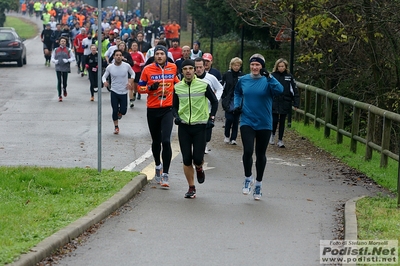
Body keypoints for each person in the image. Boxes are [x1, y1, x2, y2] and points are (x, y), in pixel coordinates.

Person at [234, 53, 283, 200]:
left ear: (262, 66)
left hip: (264, 122)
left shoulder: (268, 81)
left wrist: (270, 77)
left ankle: (259, 184)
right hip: (247, 120)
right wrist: (237, 105)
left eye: (258, 65)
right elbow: (237, 92)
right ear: (249, 65)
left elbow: (280, 90)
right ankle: (248, 177)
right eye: (253, 64)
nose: (255, 67)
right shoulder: (243, 80)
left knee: (260, 154)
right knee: (248, 151)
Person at [173, 59, 218, 199]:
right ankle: (191, 187)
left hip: (200, 126)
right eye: (185, 69)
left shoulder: (203, 85)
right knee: (186, 159)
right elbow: (173, 106)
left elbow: (215, 102)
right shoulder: (177, 87)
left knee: (197, 158)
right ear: (181, 71)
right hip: (184, 126)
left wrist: (211, 118)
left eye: (190, 68)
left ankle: (199, 167)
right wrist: (176, 116)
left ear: (194, 70)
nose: (188, 71)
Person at [137, 45, 180, 187]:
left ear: (166, 55)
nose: (160, 56)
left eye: (162, 54)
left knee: (166, 141)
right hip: (153, 109)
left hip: (167, 109)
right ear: (154, 56)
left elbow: (177, 83)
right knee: (156, 141)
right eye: (157, 54)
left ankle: (166, 174)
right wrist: (149, 88)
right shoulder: (147, 69)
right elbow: (140, 87)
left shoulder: (173, 67)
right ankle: (157, 165)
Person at [194, 58, 223, 154]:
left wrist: (215, 99)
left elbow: (220, 88)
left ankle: (204, 144)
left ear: (204, 67)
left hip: (208, 109)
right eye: (196, 67)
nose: (198, 69)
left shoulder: (211, 78)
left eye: (200, 67)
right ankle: (198, 146)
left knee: (207, 133)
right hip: (195, 110)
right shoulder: (190, 78)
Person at [102, 49, 135, 134]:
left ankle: (120, 113)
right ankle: (116, 127)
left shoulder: (126, 66)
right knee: (114, 109)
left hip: (124, 91)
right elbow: (104, 76)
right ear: (114, 57)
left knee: (123, 111)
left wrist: (130, 82)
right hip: (114, 91)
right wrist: (104, 82)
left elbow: (133, 74)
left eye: (120, 55)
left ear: (122, 56)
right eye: (117, 55)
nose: (118, 57)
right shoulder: (110, 67)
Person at [270, 58, 300, 147]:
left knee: (282, 121)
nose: (281, 68)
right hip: (275, 101)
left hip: (285, 101)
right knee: (274, 120)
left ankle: (280, 140)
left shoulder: (289, 77)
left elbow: (294, 90)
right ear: (276, 67)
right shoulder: (272, 76)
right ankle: (272, 135)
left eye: (282, 66)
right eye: (279, 66)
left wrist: (296, 102)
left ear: (285, 67)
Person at [221, 57, 244, 145]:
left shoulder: (242, 76)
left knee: (236, 120)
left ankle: (233, 138)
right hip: (228, 99)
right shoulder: (227, 75)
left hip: (238, 99)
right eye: (235, 65)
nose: (236, 67)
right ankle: (227, 135)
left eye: (238, 65)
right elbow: (222, 87)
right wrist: (224, 98)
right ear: (231, 65)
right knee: (229, 118)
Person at [51, 37, 76, 102]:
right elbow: (52, 58)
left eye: (64, 41)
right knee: (59, 81)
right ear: (59, 42)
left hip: (65, 67)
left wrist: (68, 60)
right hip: (58, 67)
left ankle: (64, 88)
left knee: (64, 81)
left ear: (66, 42)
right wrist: (55, 61)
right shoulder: (56, 50)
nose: (63, 42)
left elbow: (73, 58)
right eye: (61, 41)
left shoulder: (68, 50)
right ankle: (59, 95)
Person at [129, 41, 145, 106]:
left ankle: (136, 93)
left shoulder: (140, 54)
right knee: (131, 85)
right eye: (133, 46)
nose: (134, 47)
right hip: (131, 72)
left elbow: (144, 62)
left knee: (136, 85)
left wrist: (137, 64)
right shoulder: (129, 54)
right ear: (131, 47)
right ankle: (131, 98)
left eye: (136, 45)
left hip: (138, 71)